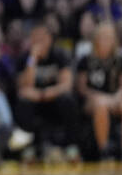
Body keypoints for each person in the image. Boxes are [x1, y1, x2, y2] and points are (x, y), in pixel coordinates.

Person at [15, 22, 79, 161]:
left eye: (41, 37)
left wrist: (43, 94)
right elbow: (24, 88)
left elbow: (66, 85)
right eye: (34, 38)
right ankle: (30, 147)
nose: (38, 41)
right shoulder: (25, 59)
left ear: (49, 39)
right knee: (23, 103)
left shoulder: (61, 54)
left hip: (53, 100)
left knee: (68, 99)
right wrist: (32, 59)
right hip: (36, 103)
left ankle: (71, 145)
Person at [77, 22, 122, 160]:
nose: (106, 40)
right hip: (93, 100)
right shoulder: (86, 59)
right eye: (103, 37)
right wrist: (102, 97)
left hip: (115, 98)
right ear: (96, 39)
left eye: (109, 37)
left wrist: (118, 96)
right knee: (101, 104)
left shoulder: (120, 59)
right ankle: (104, 150)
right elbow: (82, 88)